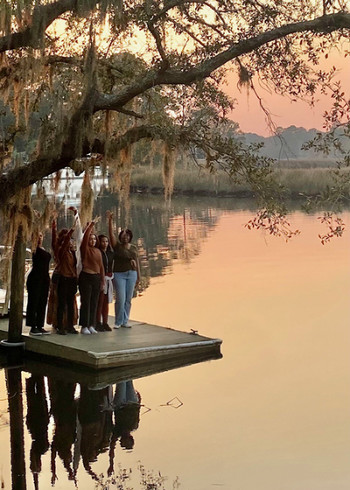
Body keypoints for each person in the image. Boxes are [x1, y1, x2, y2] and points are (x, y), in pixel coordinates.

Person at [107, 211, 140, 329]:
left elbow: (137, 263)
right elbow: (111, 235)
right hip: (119, 274)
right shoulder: (117, 246)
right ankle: (118, 321)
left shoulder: (134, 248)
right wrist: (110, 221)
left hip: (132, 274)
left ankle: (125, 320)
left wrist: (138, 277)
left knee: (128, 299)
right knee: (120, 298)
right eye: (123, 235)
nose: (125, 237)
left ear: (130, 237)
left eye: (127, 235)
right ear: (120, 237)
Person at [79, 221, 105, 335]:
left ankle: (91, 325)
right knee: (86, 302)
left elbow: (101, 267)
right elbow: (84, 240)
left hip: (96, 278)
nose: (92, 241)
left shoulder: (98, 251)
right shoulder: (85, 249)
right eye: (91, 239)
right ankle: (84, 325)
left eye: (94, 239)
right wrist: (90, 227)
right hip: (86, 277)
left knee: (94, 302)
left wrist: (102, 281)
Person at [26, 232, 51, 335]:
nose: (39, 238)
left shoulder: (44, 248)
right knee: (34, 301)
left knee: (42, 301)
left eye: (41, 236)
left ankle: (40, 325)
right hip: (35, 278)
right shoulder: (34, 249)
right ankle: (33, 326)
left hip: (44, 278)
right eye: (37, 236)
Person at [56, 225, 79, 335]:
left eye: (71, 240)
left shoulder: (72, 253)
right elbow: (64, 244)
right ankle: (60, 326)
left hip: (72, 280)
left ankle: (70, 326)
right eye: (69, 240)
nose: (70, 242)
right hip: (64, 279)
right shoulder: (62, 251)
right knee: (62, 303)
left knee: (70, 304)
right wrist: (71, 230)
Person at [96, 234, 114, 332]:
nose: (105, 243)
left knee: (106, 302)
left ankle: (105, 322)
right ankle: (97, 322)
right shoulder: (98, 252)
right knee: (100, 301)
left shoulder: (110, 253)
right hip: (100, 278)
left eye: (106, 241)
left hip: (109, 277)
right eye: (103, 241)